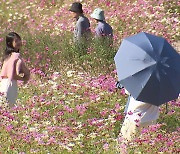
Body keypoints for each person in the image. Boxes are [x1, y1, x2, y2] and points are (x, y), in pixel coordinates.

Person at [0, 32, 30, 107]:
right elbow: (13, 74)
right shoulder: (16, 56)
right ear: (10, 43)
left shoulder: (6, 57)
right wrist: (24, 78)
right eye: (16, 41)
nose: (19, 42)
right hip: (10, 84)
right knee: (9, 107)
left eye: (19, 40)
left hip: (3, 84)